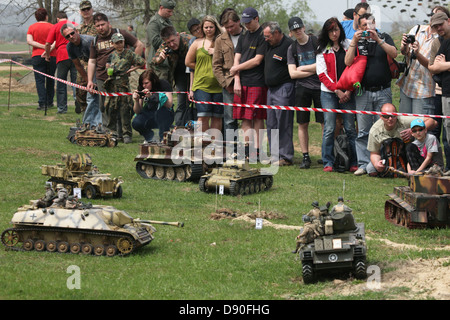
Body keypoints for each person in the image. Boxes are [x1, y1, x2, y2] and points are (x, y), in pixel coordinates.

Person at [345, 13, 398, 176]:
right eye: (364, 26)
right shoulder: (356, 41)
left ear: (374, 24)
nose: (368, 28)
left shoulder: (384, 37)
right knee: (363, 131)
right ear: (359, 27)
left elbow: (395, 53)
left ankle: (382, 162)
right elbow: (347, 62)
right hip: (363, 92)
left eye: (370, 24)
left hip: (383, 90)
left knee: (383, 129)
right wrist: (354, 41)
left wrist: (379, 40)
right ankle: (363, 163)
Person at [86, 13, 144, 127]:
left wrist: (131, 66)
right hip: (103, 78)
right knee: (105, 106)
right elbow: (92, 61)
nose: (100, 28)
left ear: (108, 23)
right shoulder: (95, 40)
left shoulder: (120, 33)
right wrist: (89, 81)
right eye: (97, 26)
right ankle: (109, 131)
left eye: (102, 24)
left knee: (124, 104)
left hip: (121, 79)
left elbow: (139, 45)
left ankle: (122, 130)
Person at [316, 18, 358, 173]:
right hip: (329, 93)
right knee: (329, 128)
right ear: (326, 33)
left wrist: (348, 90)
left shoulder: (349, 44)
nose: (334, 33)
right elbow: (322, 75)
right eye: (330, 31)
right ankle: (328, 161)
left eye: (336, 30)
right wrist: (337, 90)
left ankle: (354, 161)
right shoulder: (322, 49)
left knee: (350, 128)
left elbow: (355, 68)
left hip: (348, 92)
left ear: (341, 30)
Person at [287, 16, 324, 169]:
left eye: (300, 27)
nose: (298, 31)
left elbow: (323, 65)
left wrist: (302, 68)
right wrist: (312, 70)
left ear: (304, 27)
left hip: (321, 87)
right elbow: (292, 74)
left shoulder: (316, 42)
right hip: (302, 88)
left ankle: (325, 155)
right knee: (303, 123)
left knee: (324, 123)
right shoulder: (292, 48)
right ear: (291, 32)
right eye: (295, 29)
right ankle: (305, 156)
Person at [230, 7, 267, 158]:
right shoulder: (244, 36)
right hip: (242, 81)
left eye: (249, 22)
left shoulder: (263, 35)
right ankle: (247, 149)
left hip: (257, 82)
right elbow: (237, 56)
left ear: (257, 19)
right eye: (244, 22)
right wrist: (237, 79)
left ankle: (258, 150)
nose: (246, 25)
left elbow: (257, 60)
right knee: (244, 117)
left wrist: (236, 68)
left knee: (257, 117)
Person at [366, 103, 437, 175]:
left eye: (393, 115)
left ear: (397, 114)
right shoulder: (375, 130)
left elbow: (432, 121)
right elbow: (374, 153)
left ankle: (412, 169)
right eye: (386, 116)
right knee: (371, 169)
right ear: (380, 116)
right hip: (387, 157)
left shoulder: (404, 119)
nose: (390, 119)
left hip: (407, 155)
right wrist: (377, 164)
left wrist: (411, 131)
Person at [104, 33, 146, 143]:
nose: (119, 44)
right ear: (112, 44)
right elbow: (107, 67)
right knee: (111, 108)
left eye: (121, 42)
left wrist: (132, 69)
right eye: (117, 42)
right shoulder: (111, 55)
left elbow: (142, 62)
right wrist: (109, 69)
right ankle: (113, 133)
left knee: (125, 109)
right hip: (112, 85)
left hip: (124, 85)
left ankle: (126, 134)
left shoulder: (129, 54)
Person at [263, 21, 295, 166]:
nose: (266, 39)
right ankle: (275, 154)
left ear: (276, 33)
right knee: (271, 123)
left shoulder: (289, 45)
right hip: (270, 90)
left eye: (268, 36)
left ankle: (286, 156)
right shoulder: (269, 45)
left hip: (284, 88)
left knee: (283, 122)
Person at [185, 15, 223, 132]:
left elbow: (229, 60)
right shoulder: (197, 43)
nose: (208, 29)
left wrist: (216, 52)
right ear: (202, 28)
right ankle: (202, 144)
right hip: (201, 85)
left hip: (219, 86)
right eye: (206, 27)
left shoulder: (222, 42)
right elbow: (188, 62)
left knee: (217, 117)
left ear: (215, 27)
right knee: (203, 116)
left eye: (211, 27)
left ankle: (215, 146)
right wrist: (202, 68)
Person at [151, 26, 192, 127]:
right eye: (168, 42)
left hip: (195, 73)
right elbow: (154, 61)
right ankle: (179, 128)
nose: (172, 44)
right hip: (179, 74)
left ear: (177, 35)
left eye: (173, 40)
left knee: (197, 102)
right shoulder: (165, 46)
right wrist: (160, 58)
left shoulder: (190, 40)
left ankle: (196, 128)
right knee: (182, 102)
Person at [212, 9, 243, 141]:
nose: (229, 29)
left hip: (249, 81)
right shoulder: (220, 40)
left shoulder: (248, 36)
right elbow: (216, 66)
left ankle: (251, 150)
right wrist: (225, 84)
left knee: (249, 118)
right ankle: (231, 149)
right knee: (230, 120)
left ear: (239, 22)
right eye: (226, 27)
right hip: (229, 84)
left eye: (232, 26)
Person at [63, 24, 102, 127]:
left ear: (76, 31)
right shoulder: (70, 47)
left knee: (96, 98)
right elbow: (78, 66)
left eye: (72, 33)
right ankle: (89, 123)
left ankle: (97, 124)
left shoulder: (88, 41)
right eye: (68, 36)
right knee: (88, 95)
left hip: (101, 67)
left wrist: (93, 80)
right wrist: (89, 81)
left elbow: (98, 59)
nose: (71, 36)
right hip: (91, 69)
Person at [397, 19, 437, 115]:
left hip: (424, 89)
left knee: (418, 126)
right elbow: (405, 53)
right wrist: (404, 46)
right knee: (404, 123)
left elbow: (433, 66)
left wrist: (418, 54)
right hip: (407, 85)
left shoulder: (441, 38)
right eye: (433, 15)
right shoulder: (417, 29)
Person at [428, 10, 450, 169]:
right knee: (448, 135)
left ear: (448, 21)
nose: (439, 28)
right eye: (435, 27)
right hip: (446, 93)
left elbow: (439, 65)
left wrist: (445, 65)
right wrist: (441, 66)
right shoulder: (444, 42)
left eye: (440, 25)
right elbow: (433, 67)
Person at [44, 11, 77, 114]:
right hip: (75, 55)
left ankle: (62, 108)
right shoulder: (73, 24)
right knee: (76, 82)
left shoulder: (55, 26)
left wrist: (48, 55)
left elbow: (48, 43)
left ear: (58, 18)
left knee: (61, 83)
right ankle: (79, 103)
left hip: (62, 56)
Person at [26, 8, 57, 111]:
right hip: (52, 55)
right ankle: (50, 102)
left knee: (39, 80)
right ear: (46, 16)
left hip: (37, 56)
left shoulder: (32, 27)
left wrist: (42, 46)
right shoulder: (52, 27)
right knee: (50, 78)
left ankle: (42, 103)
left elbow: (29, 41)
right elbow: (56, 41)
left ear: (36, 17)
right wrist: (48, 48)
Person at [132, 69, 174, 142]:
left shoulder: (163, 84)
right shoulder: (142, 88)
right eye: (142, 84)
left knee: (161, 114)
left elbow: (169, 105)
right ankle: (150, 138)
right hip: (149, 113)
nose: (144, 86)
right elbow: (138, 111)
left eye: (146, 83)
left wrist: (152, 97)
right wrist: (136, 100)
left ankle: (163, 140)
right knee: (136, 122)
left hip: (165, 113)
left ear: (153, 81)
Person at [76, 0, 97, 114]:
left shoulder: (98, 25)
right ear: (80, 12)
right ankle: (86, 115)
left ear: (91, 10)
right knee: (80, 91)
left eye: (88, 9)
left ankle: (98, 117)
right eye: (83, 10)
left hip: (97, 62)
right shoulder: (79, 29)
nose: (86, 11)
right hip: (84, 63)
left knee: (96, 90)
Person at [146, 0, 175, 80]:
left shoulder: (168, 21)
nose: (171, 14)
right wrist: (172, 40)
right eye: (169, 11)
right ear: (161, 8)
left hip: (168, 62)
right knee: (159, 89)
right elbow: (155, 42)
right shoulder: (154, 23)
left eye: (172, 12)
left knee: (168, 89)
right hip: (158, 64)